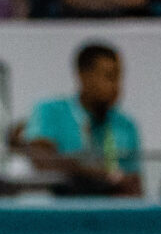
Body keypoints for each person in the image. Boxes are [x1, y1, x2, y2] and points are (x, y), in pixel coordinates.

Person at [18, 40, 143, 195]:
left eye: (119, 77)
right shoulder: (50, 111)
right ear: (83, 76)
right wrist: (99, 175)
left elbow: (134, 186)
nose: (116, 86)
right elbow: (42, 161)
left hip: (110, 213)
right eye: (109, 77)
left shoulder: (126, 125)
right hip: (61, 211)